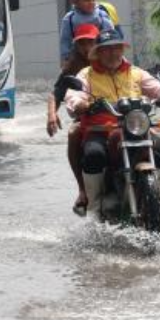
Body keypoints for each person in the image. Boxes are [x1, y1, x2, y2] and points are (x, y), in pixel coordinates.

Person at [64, 29, 160, 214]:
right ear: (98, 52)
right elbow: (74, 95)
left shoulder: (136, 73)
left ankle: (157, 203)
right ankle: (94, 204)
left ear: (122, 49)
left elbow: (157, 89)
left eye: (116, 48)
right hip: (99, 130)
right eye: (106, 49)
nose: (112, 53)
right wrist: (80, 103)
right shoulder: (86, 75)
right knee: (93, 155)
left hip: (135, 127)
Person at [45, 23, 99, 214]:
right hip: (87, 113)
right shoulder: (73, 66)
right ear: (76, 45)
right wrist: (52, 114)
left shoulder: (112, 56)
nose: (87, 47)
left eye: (90, 42)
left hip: (115, 113)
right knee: (73, 132)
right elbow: (57, 93)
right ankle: (82, 190)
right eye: (82, 43)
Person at [58, 0, 114, 64]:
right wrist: (66, 58)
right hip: (78, 57)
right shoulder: (70, 18)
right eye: (87, 0)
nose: (91, 3)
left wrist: (109, 51)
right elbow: (65, 40)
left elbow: (109, 33)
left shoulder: (101, 14)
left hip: (98, 55)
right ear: (74, 1)